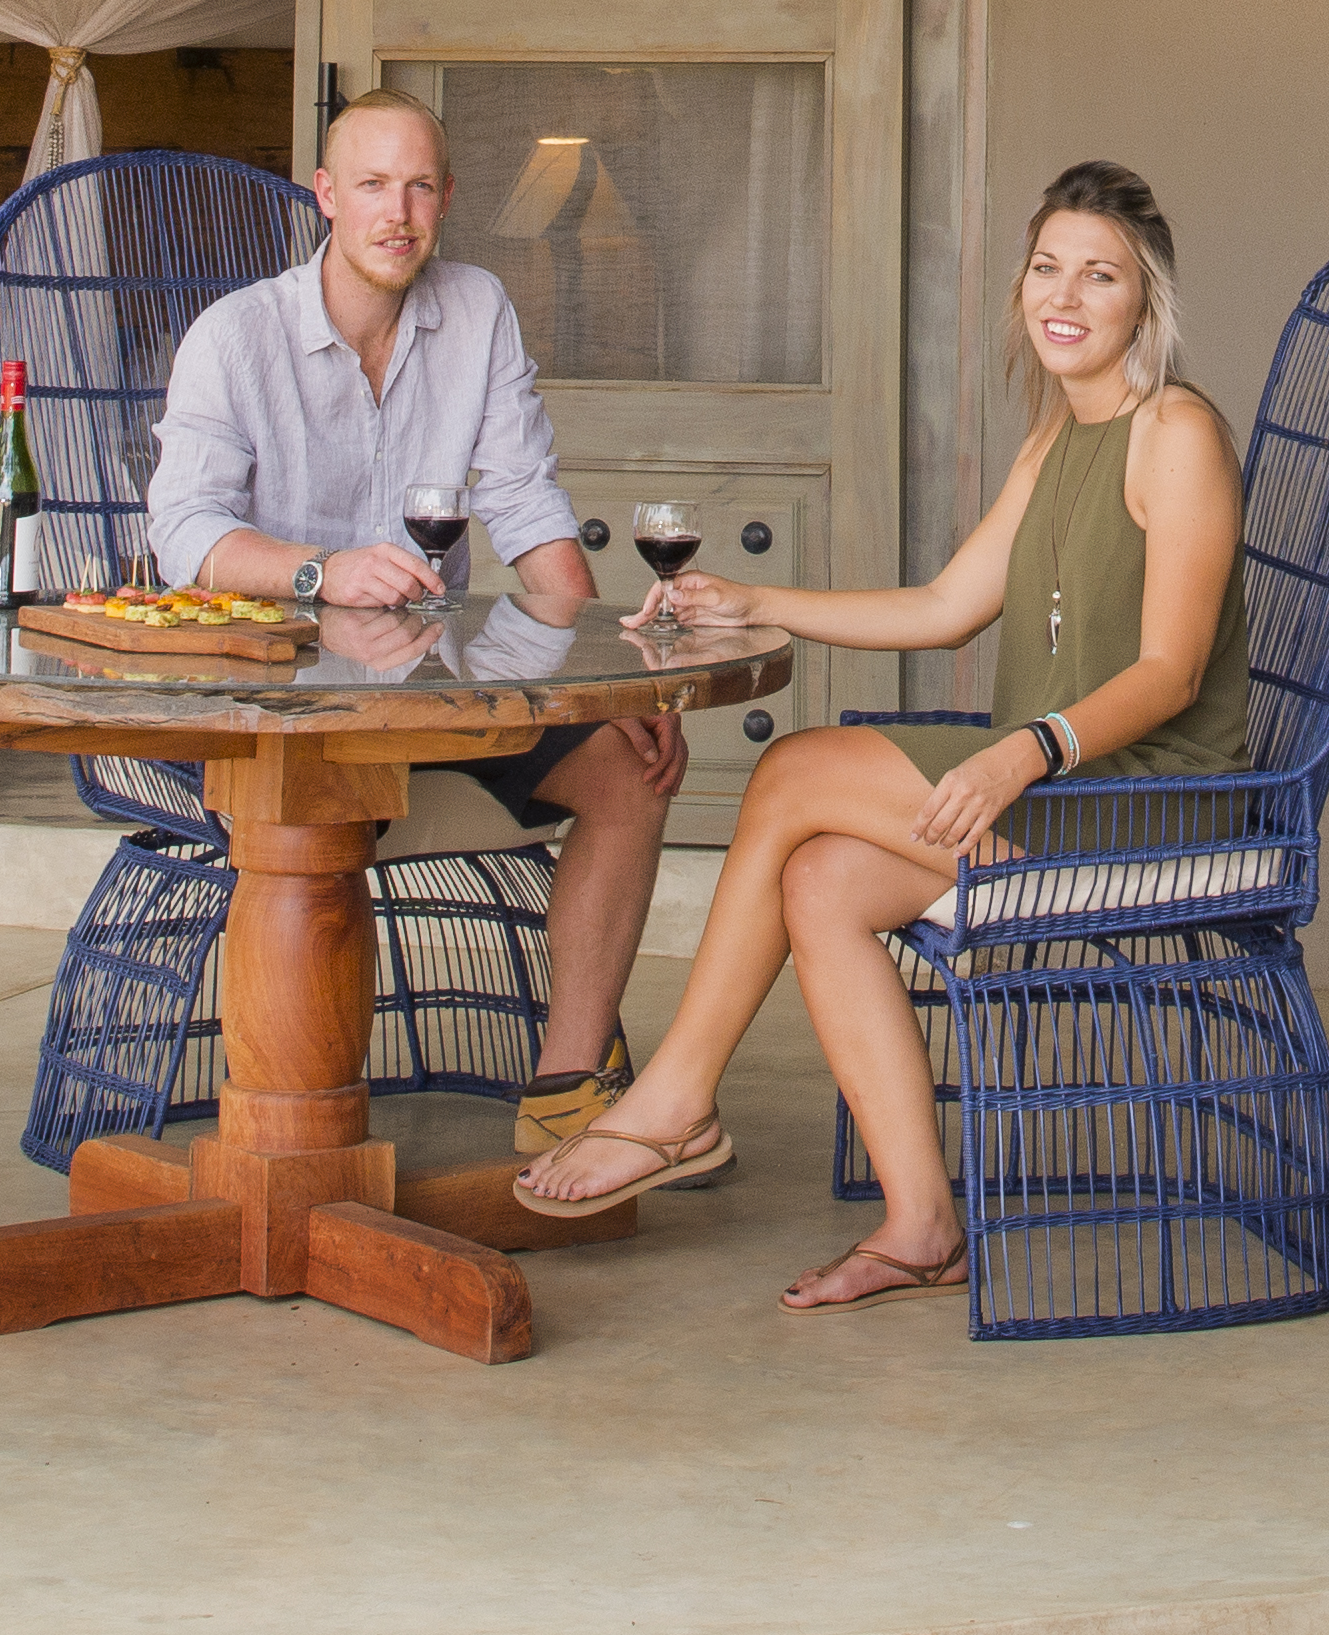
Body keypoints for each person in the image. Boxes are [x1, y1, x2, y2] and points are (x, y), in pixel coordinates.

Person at [507, 159, 1249, 1307]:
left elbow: (1172, 671)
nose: (1065, 294)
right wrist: (761, 600)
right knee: (821, 880)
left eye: (1099, 275)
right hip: (1050, 784)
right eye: (1047, 266)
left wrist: (1026, 748)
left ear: (1143, 300)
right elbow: (943, 607)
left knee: (799, 766)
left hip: (1140, 799)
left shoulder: (1177, 432)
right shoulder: (1056, 440)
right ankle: (921, 1225)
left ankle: (674, 1099)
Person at [135, 88, 688, 1143]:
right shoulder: (235, 335)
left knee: (632, 765)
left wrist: (608, 683)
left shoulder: (475, 309)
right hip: (277, 719)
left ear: (446, 199)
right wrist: (320, 572)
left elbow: (529, 508)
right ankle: (294, 1146)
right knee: (318, 810)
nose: (399, 212)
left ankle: (569, 1092)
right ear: (328, 198)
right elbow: (183, 532)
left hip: (438, 697)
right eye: (375, 186)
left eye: (421, 186)